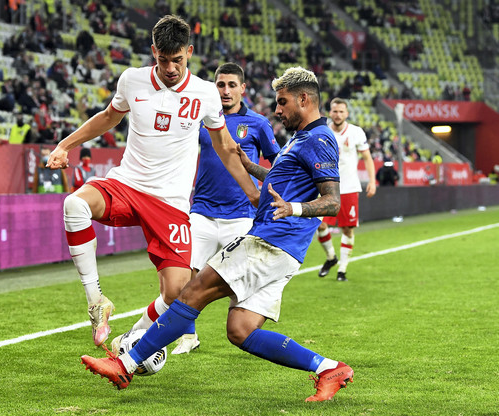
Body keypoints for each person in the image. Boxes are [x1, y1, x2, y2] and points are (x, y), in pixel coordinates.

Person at [81, 66, 354, 403]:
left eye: (282, 102)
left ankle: (125, 364)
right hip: (284, 249)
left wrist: (293, 209)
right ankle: (329, 368)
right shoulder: (302, 138)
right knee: (241, 331)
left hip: (271, 242)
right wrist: (249, 165)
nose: (278, 110)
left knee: (191, 293)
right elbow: (282, 179)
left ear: (303, 99)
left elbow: (332, 201)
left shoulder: (320, 138)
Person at [46, 15, 259, 347]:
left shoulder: (205, 93)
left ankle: (129, 340)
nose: (171, 67)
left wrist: (254, 194)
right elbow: (107, 118)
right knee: (74, 204)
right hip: (127, 184)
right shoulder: (132, 80)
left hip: (170, 203)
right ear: (153, 52)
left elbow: (224, 147)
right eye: (163, 59)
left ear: (189, 52)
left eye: (177, 59)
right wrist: (64, 145)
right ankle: (96, 301)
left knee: (176, 294)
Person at [168, 62, 281, 355]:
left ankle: (244, 331)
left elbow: (278, 165)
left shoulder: (257, 123)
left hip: (241, 215)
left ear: (243, 89)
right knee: (184, 275)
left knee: (239, 279)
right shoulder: (201, 120)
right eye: (221, 85)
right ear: (214, 87)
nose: (226, 90)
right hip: (202, 211)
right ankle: (188, 336)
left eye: (232, 85)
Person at [316, 97, 376, 282]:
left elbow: (367, 157)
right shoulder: (322, 130)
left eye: (341, 111)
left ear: (347, 113)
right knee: (319, 224)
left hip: (349, 187)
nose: (338, 114)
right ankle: (331, 257)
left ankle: (342, 269)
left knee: (347, 229)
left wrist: (372, 181)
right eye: (335, 111)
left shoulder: (356, 132)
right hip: (326, 186)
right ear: (330, 112)